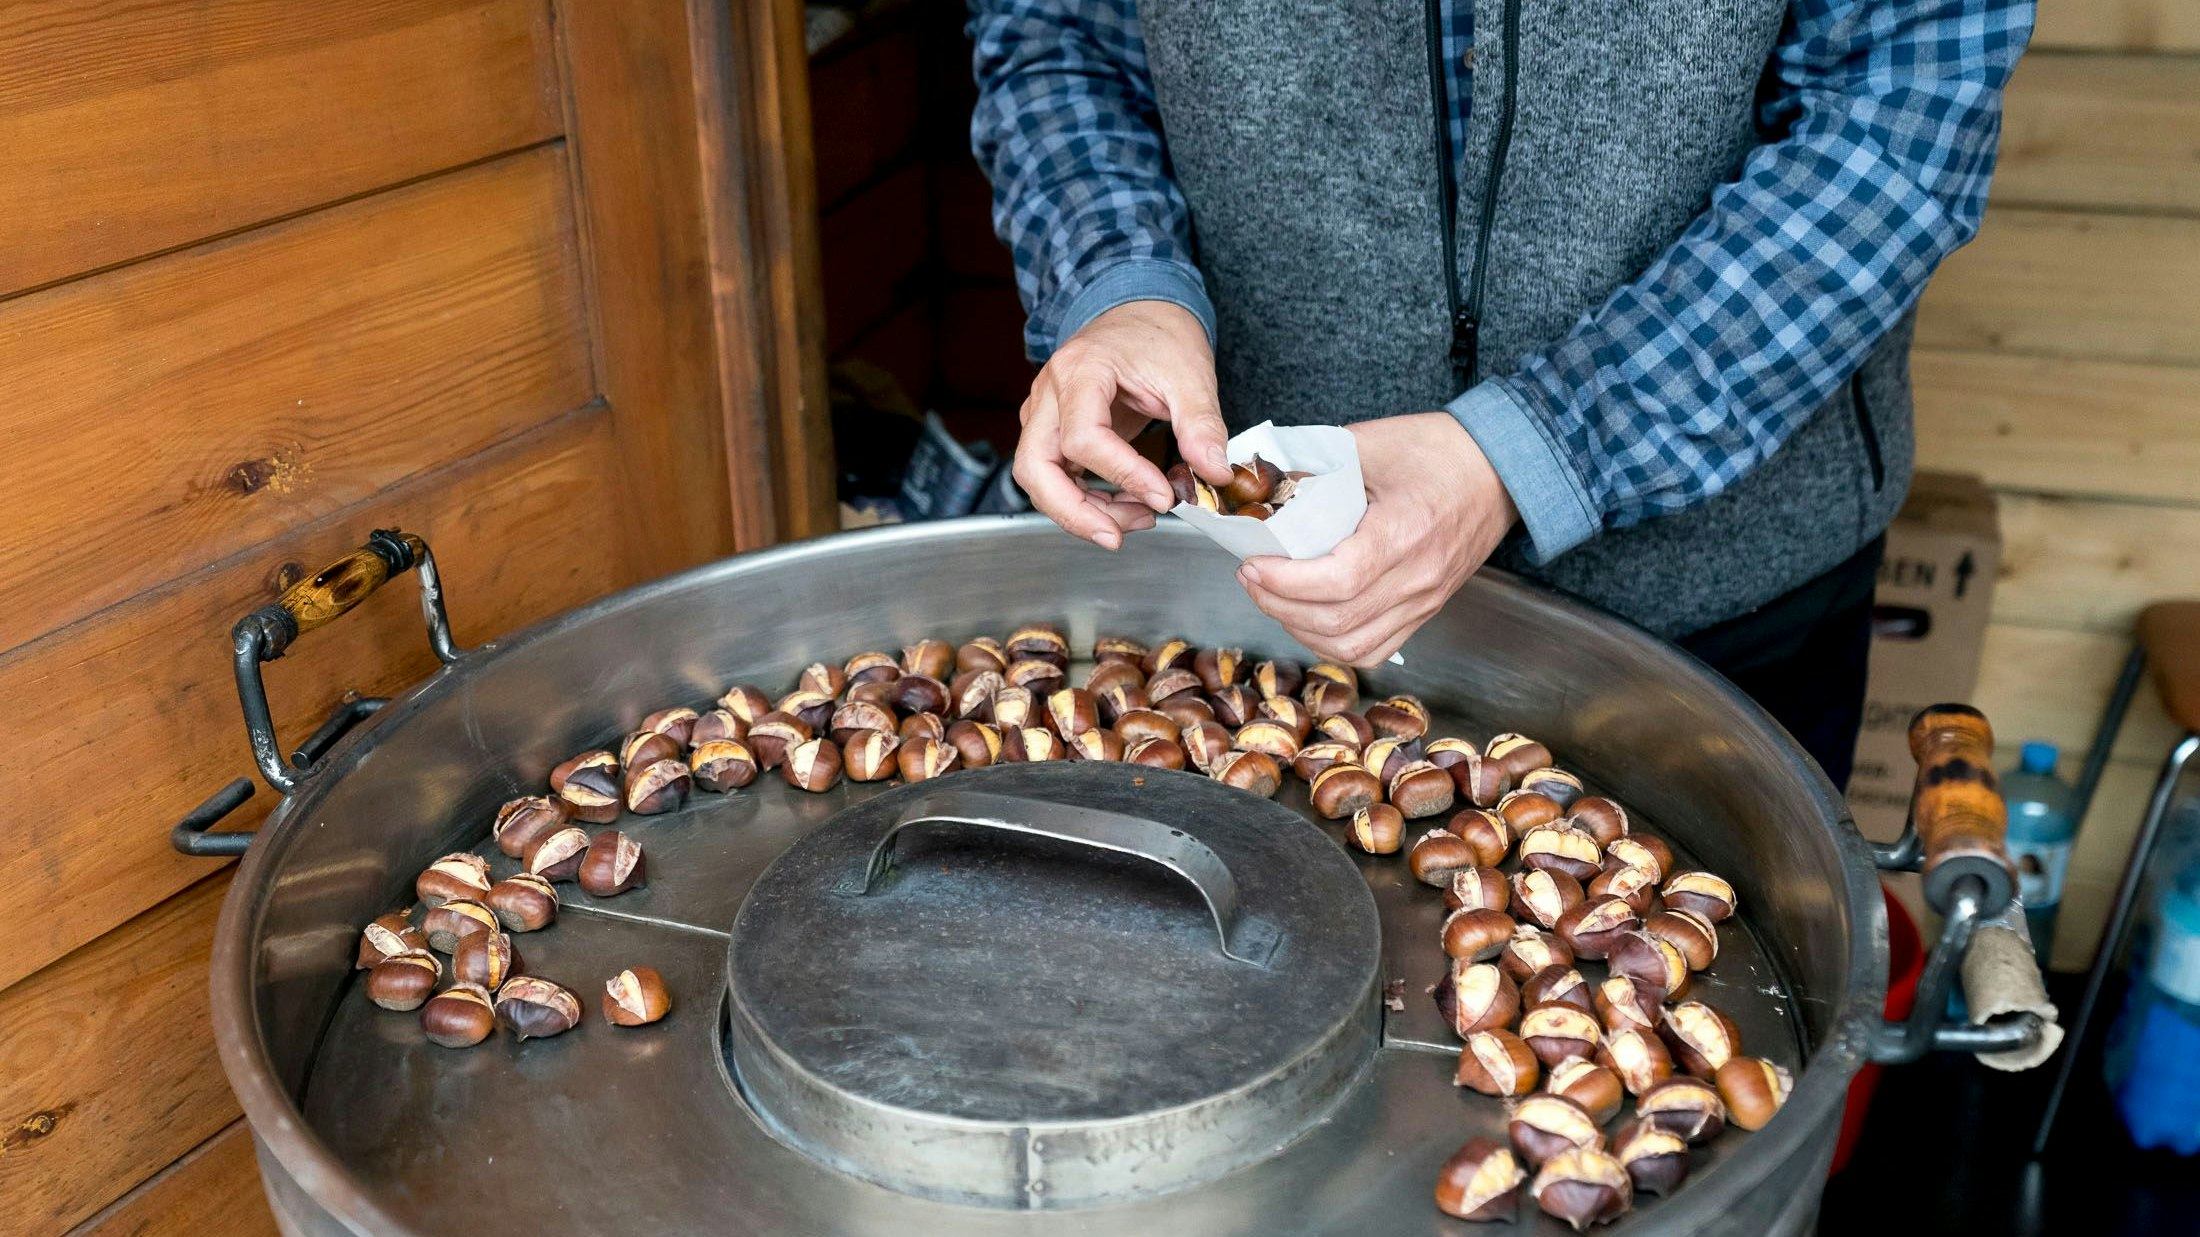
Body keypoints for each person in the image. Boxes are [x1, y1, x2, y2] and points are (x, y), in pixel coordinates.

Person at [968, 0, 2032, 788]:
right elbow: (1059, 32)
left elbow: (1904, 114)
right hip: (1259, 601)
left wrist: (1545, 445)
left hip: (1724, 609)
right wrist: (1119, 280)